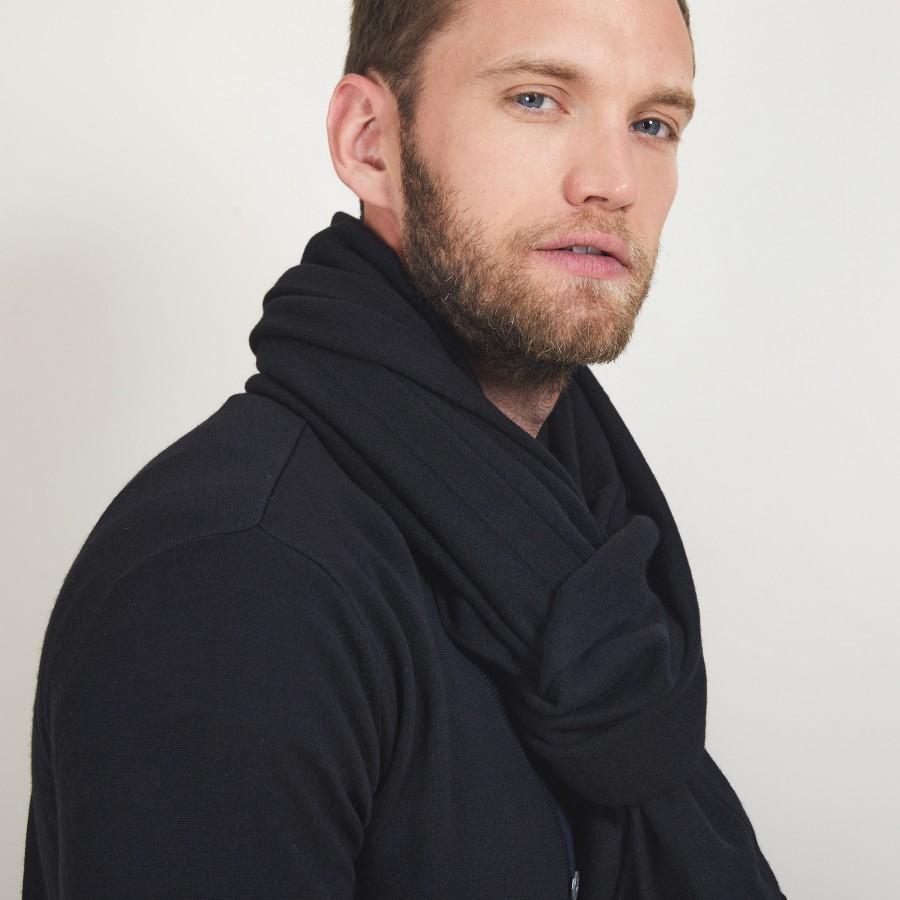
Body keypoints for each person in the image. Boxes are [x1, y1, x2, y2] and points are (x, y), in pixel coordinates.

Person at [24, 0, 786, 897]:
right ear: (370, 142)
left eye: (652, 124)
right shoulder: (232, 577)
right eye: (537, 99)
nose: (613, 181)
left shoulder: (598, 539)